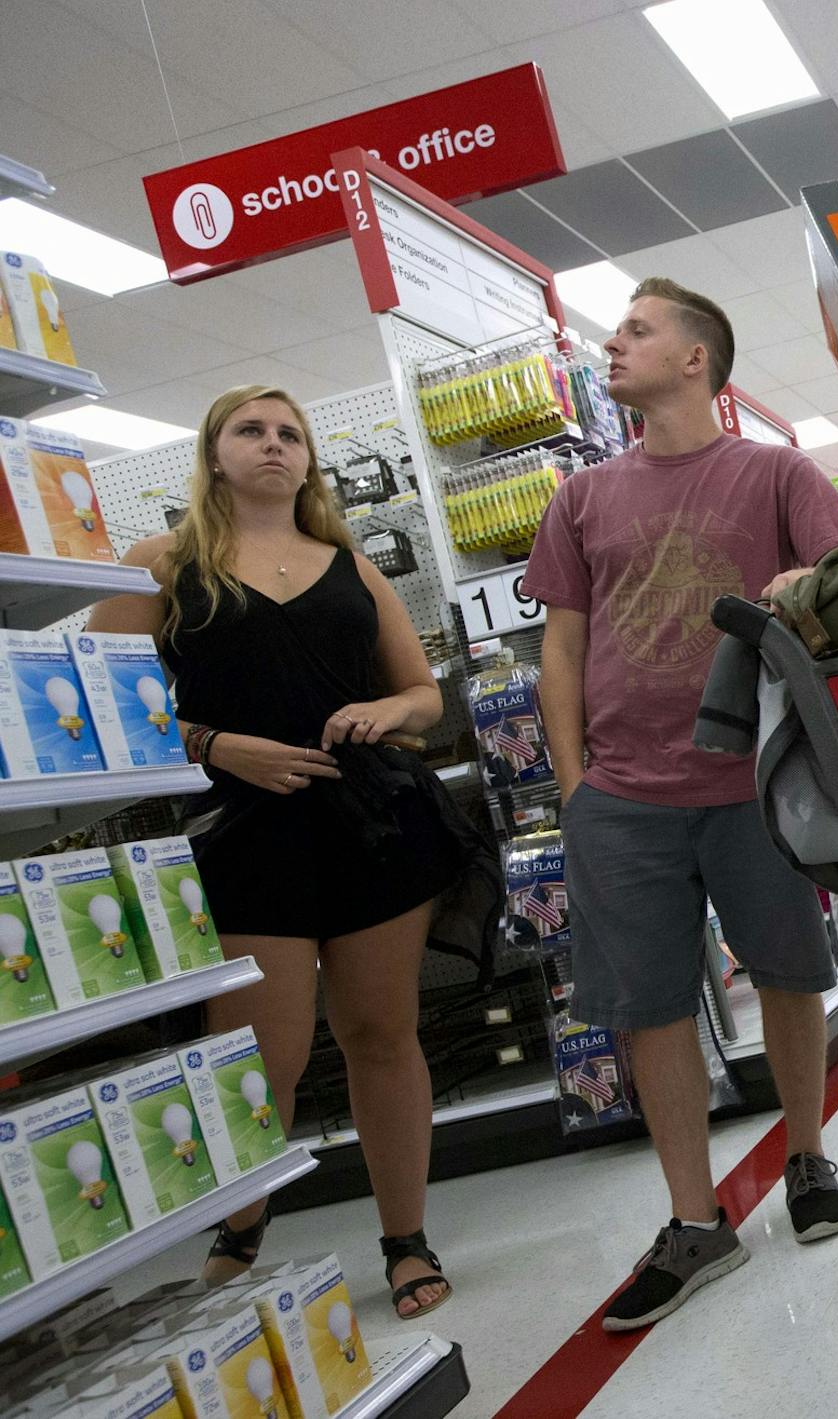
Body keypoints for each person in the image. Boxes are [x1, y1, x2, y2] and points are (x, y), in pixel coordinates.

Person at [88, 385, 496, 1321]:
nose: (272, 444)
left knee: (382, 1036)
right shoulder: (160, 566)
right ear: (213, 449)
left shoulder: (352, 564)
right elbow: (108, 710)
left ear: (308, 460)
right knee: (257, 1059)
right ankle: (239, 1235)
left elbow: (424, 698)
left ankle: (406, 1240)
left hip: (371, 826)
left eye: (289, 434)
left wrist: (390, 712)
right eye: (250, 430)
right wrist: (216, 745)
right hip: (242, 837)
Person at [522, 278, 838, 1332]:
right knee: (648, 1007)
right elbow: (562, 649)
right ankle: (693, 1217)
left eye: (634, 331)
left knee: (790, 972)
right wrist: (575, 788)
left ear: (696, 361)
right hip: (622, 795)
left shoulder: (776, 473)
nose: (611, 346)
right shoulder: (581, 498)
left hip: (754, 779)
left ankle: (806, 1153)